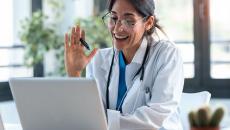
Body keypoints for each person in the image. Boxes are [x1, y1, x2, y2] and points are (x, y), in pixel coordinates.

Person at [64, 0, 184, 129]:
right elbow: (86, 115)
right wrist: (74, 73)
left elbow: (156, 116)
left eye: (129, 21)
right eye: (114, 18)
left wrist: (102, 121)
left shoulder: (166, 55)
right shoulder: (98, 59)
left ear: (148, 22)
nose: (117, 28)